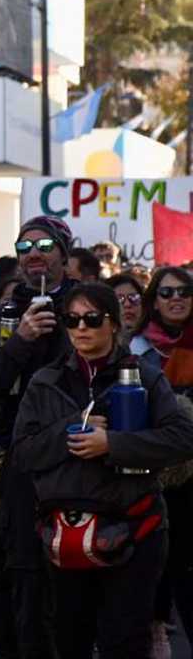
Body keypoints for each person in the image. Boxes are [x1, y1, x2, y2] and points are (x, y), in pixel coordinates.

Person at [15, 283, 193, 658]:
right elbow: (23, 454)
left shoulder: (144, 375)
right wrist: (68, 432)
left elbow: (181, 438)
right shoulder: (44, 381)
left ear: (113, 324)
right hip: (64, 532)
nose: (81, 328)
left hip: (133, 527)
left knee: (124, 641)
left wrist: (111, 444)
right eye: (72, 319)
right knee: (69, 640)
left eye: (92, 319)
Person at [0, 215, 80, 657]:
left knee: (74, 573)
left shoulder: (87, 305)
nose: (34, 253)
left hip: (79, 459)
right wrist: (20, 342)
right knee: (22, 576)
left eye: (45, 245)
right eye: (24, 245)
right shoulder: (1, 314)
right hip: (19, 462)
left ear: (64, 253)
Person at [130, 266, 193, 651]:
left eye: (184, 291)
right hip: (151, 469)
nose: (176, 299)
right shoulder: (135, 348)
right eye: (166, 293)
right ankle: (154, 627)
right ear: (154, 300)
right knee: (156, 559)